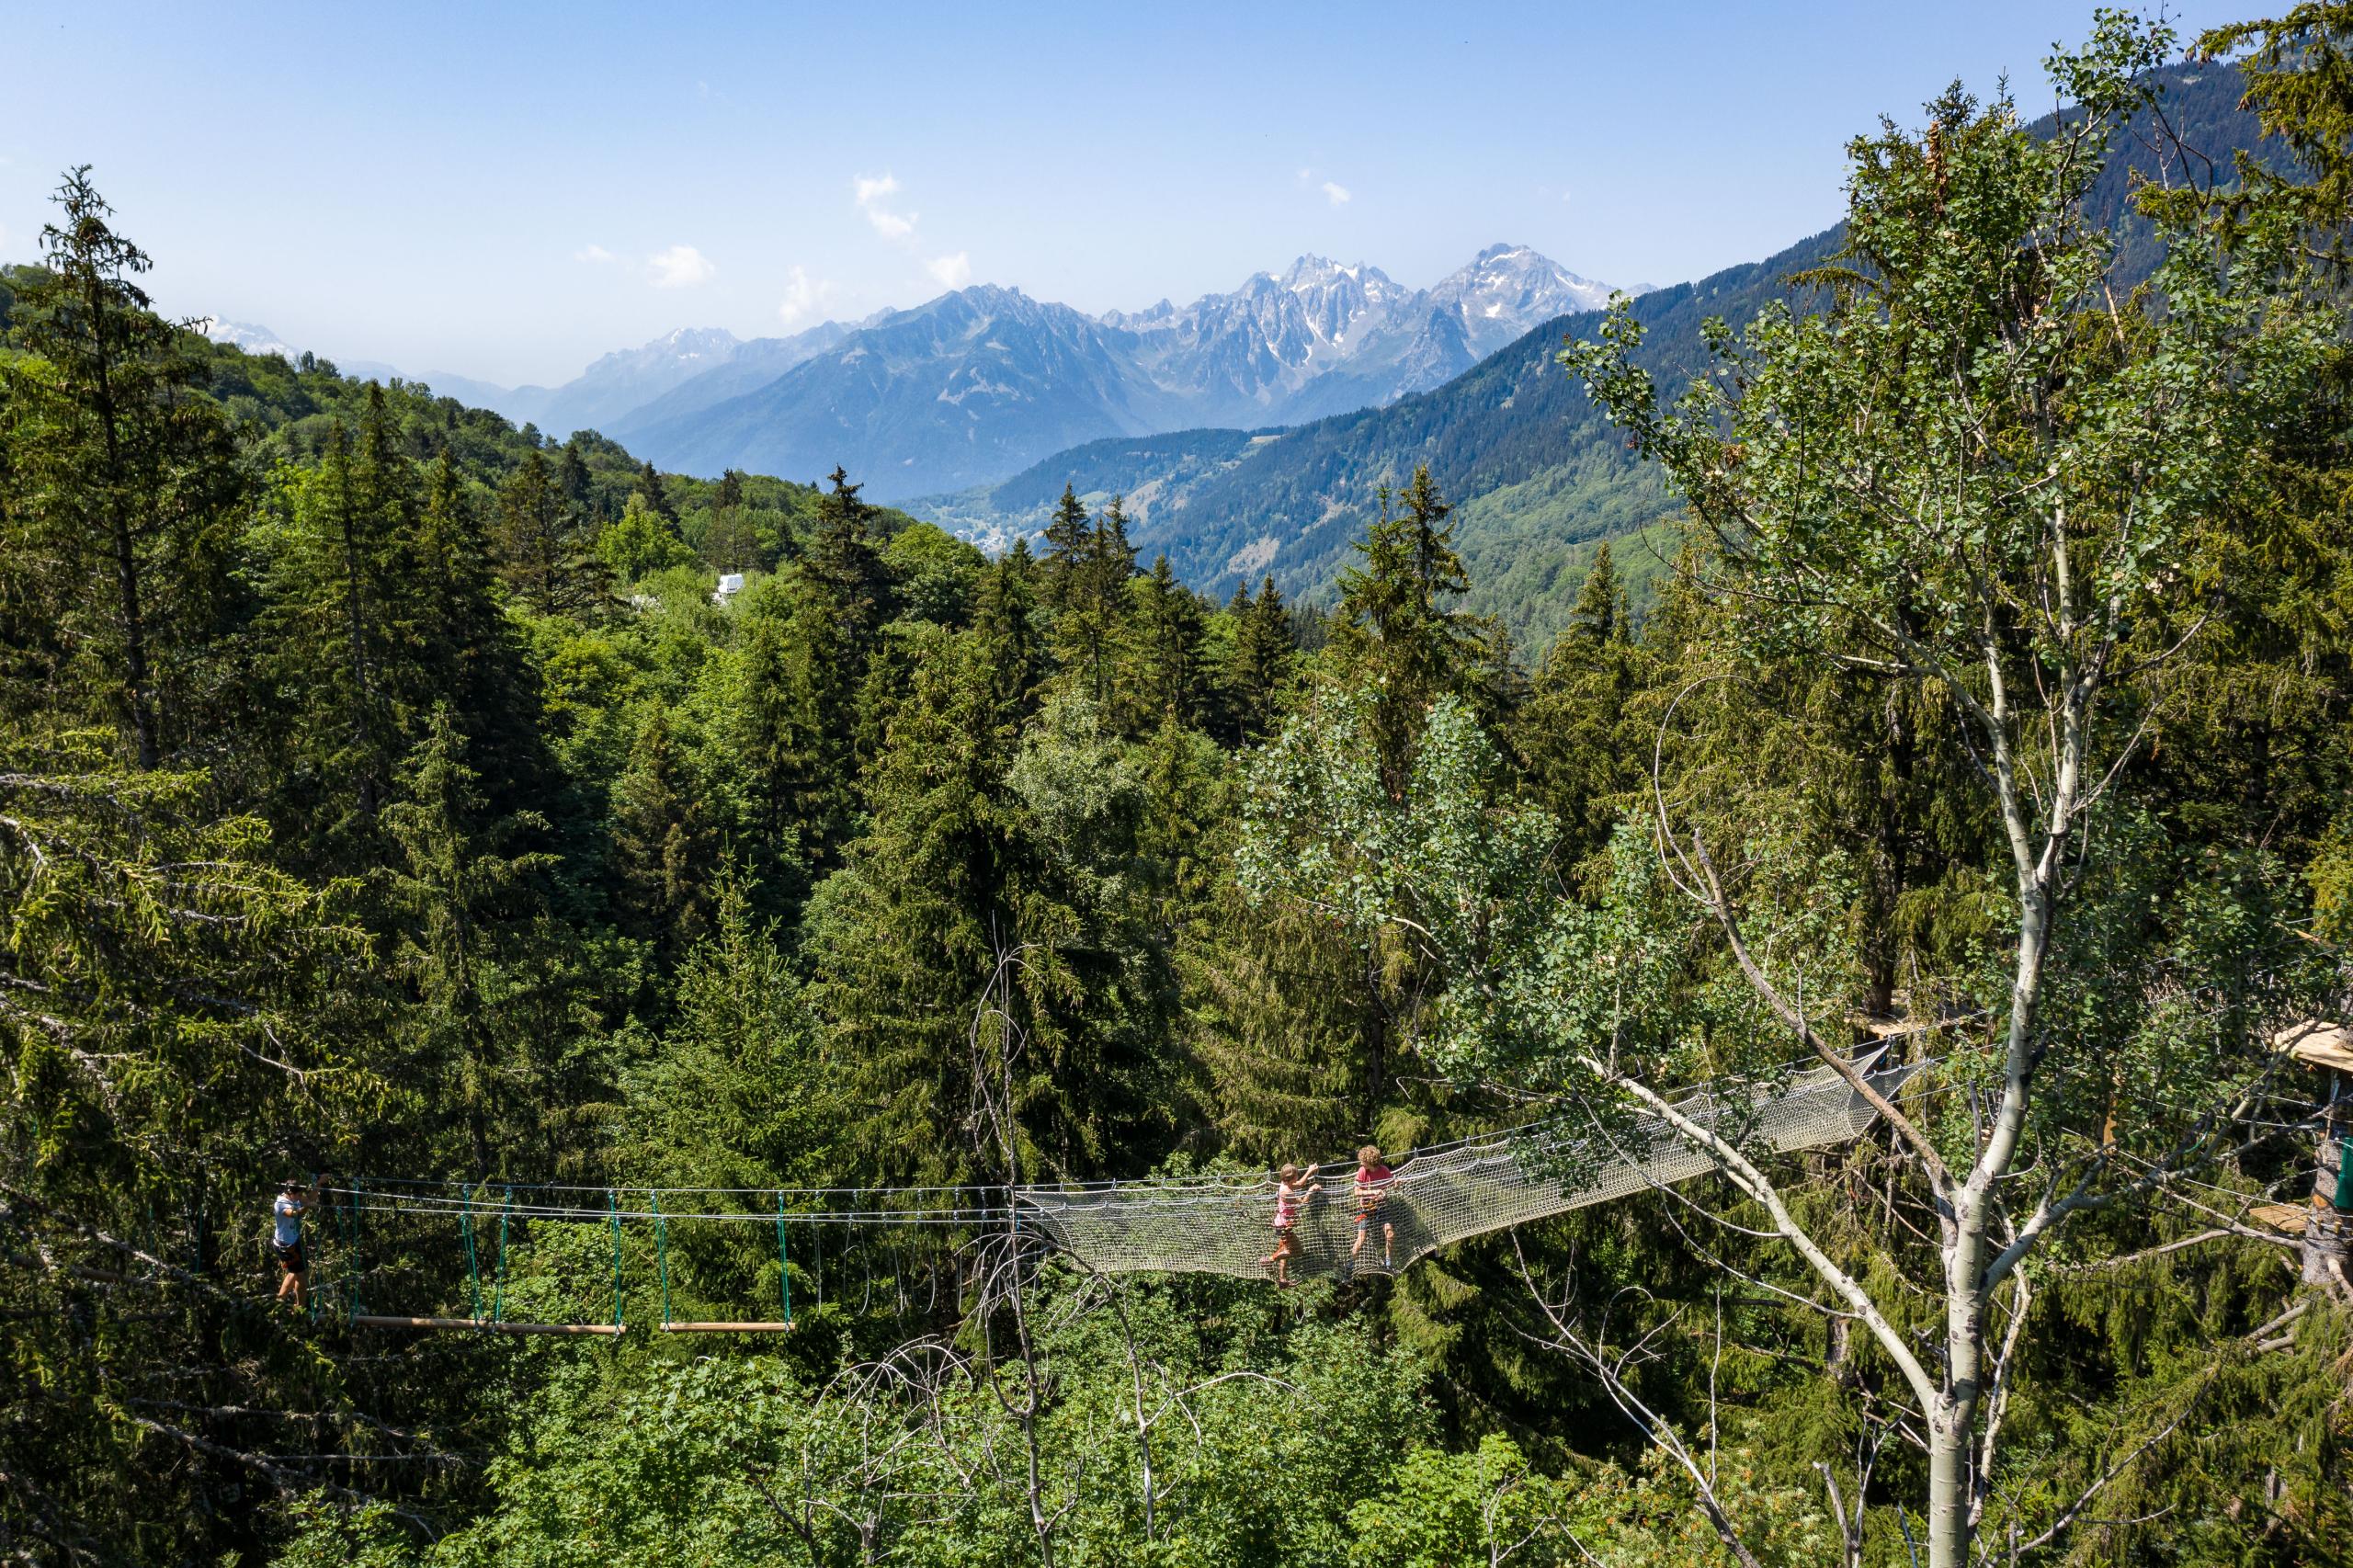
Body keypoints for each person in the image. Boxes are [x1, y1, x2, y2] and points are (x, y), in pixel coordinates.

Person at [1258, 1163, 1322, 1287]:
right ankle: (1269, 1260)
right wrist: (1311, 1190)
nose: (1297, 1178)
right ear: (1292, 1177)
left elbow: (1298, 1185)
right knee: (1297, 1251)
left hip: (1282, 1224)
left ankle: (1282, 1280)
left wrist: (1309, 1171)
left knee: (1285, 1250)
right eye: (1296, 1176)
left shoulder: (1284, 1185)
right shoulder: (1287, 1192)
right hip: (1284, 1226)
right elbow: (1302, 1202)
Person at [272, 1176, 322, 1311]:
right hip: (285, 1246)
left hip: (293, 1242)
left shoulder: (294, 1198)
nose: (301, 1197)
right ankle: (300, 1309)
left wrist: (319, 1183)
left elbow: (310, 1199)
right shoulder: (281, 1204)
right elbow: (295, 1214)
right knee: (302, 1277)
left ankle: (279, 1301)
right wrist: (307, 1206)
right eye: (298, 1195)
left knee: (294, 1273)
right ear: (290, 1193)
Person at [1350, 1144, 1397, 1270]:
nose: (1361, 1164)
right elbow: (1356, 1192)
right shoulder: (1362, 1171)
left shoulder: (1384, 1170)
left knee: (1390, 1233)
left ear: (1370, 1161)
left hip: (1381, 1206)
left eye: (1363, 1161)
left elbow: (1392, 1183)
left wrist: (1396, 1183)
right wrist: (1373, 1192)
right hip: (1365, 1208)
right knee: (1361, 1238)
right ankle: (1350, 1265)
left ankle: (1388, 1262)